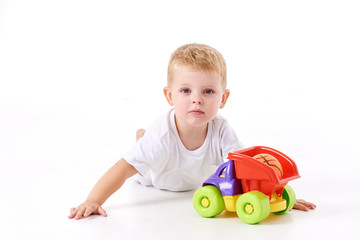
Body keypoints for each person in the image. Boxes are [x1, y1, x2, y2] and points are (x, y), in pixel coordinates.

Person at [68, 43, 316, 220]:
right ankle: (141, 139)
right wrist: (94, 200)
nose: (196, 100)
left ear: (223, 98)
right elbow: (122, 168)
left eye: (208, 91)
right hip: (159, 179)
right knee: (143, 158)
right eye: (186, 91)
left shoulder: (221, 129)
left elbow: (246, 166)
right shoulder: (162, 136)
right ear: (169, 95)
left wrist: (277, 198)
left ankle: (141, 139)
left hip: (197, 179)